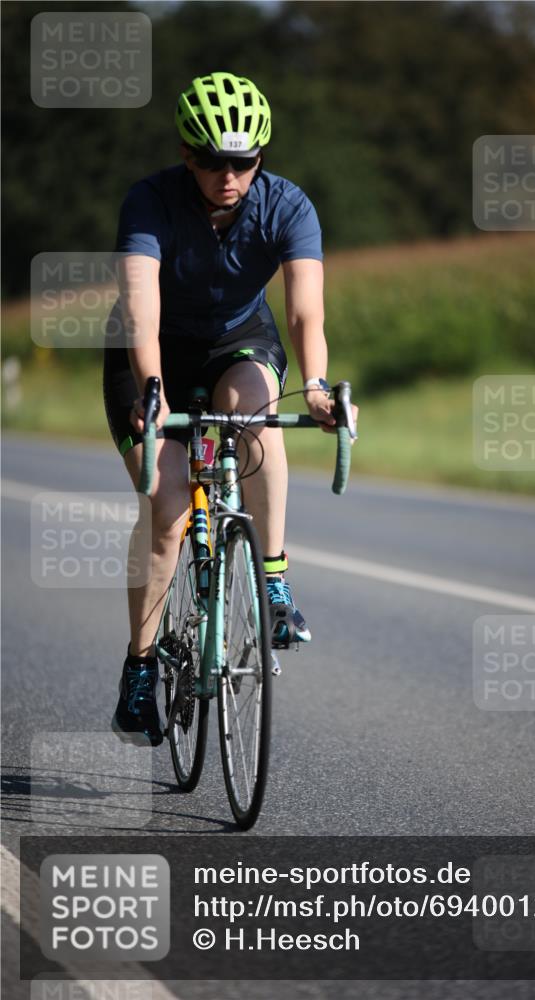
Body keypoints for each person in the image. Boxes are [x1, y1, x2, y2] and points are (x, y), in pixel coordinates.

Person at [105, 72, 344, 747]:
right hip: (149, 355)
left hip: (238, 341)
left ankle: (272, 583)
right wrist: (151, 390)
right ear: (186, 154)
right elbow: (141, 309)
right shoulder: (149, 202)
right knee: (170, 503)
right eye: (211, 160)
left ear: (260, 157)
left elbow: (304, 311)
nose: (227, 175)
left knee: (257, 421)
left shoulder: (288, 206)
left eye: (242, 161)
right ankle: (141, 667)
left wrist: (319, 384)